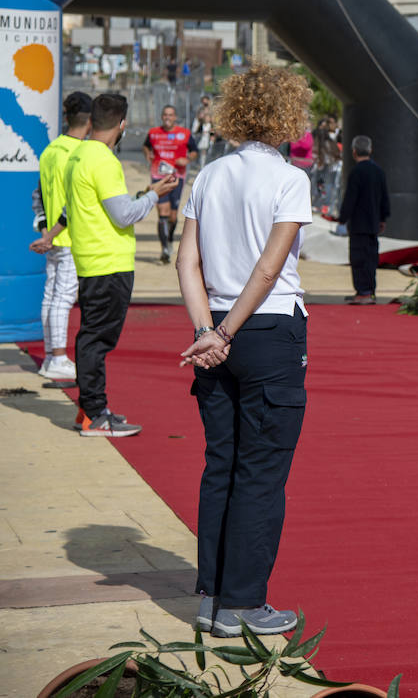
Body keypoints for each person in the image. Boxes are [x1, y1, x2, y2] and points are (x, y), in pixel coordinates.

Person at [174, 63, 314, 639]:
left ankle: (211, 596)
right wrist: (226, 331)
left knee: (220, 467)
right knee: (261, 473)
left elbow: (188, 261)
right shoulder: (289, 178)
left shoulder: (209, 175)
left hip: (216, 330)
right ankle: (243, 604)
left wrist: (207, 329)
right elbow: (269, 267)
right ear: (288, 115)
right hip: (267, 331)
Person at [65, 93, 178, 436]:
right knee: (96, 341)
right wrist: (153, 196)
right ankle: (95, 414)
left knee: (92, 338)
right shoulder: (103, 160)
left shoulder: (79, 155)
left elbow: (90, 208)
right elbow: (123, 214)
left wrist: (146, 192)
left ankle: (90, 410)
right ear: (122, 124)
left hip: (92, 259)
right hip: (107, 263)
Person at [28, 91, 93, 382]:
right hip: (67, 238)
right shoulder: (78, 154)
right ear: (90, 120)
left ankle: (51, 356)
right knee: (63, 299)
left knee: (51, 296)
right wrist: (52, 233)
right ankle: (56, 357)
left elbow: (38, 195)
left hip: (53, 237)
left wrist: (45, 232)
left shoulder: (50, 150)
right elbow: (74, 202)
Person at [338, 135, 390, 305]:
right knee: (371, 259)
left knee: (358, 258)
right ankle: (370, 290)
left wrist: (342, 218)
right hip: (374, 223)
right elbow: (384, 197)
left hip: (359, 223)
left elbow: (350, 199)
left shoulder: (356, 172)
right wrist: (383, 217)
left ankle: (363, 291)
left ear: (353, 152)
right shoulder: (379, 171)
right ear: (370, 150)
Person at [142, 104, 197, 264]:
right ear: (161, 117)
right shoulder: (153, 133)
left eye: (170, 115)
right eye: (165, 114)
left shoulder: (184, 134)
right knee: (162, 211)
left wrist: (187, 159)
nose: (167, 117)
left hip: (177, 176)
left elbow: (194, 151)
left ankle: (170, 238)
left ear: (175, 117)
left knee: (173, 216)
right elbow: (146, 146)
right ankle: (164, 248)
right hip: (158, 175)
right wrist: (148, 154)